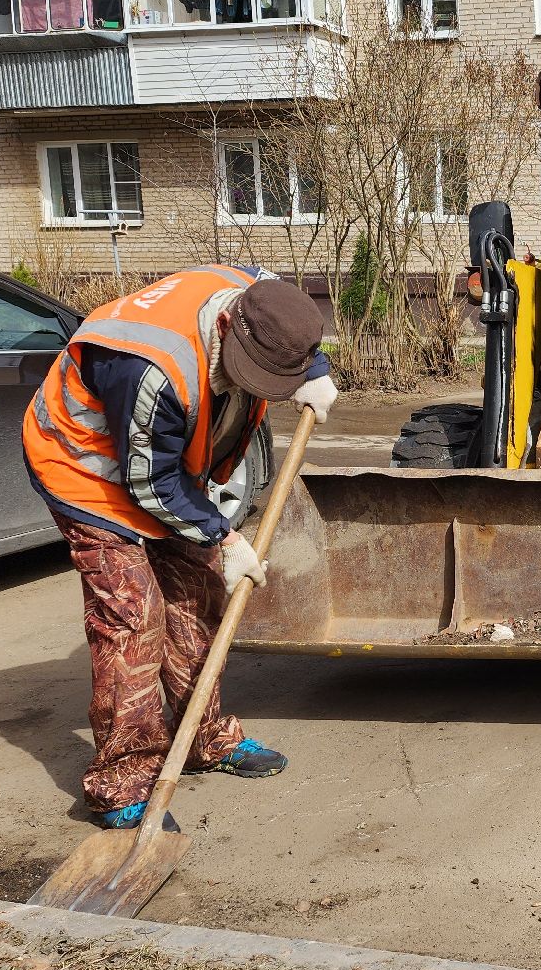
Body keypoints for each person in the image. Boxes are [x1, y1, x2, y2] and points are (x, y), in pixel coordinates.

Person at [21, 265, 337, 831]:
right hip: (85, 470)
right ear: (225, 326)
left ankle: (203, 737)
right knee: (133, 619)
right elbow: (151, 485)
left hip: (167, 470)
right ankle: (122, 781)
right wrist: (225, 535)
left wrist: (314, 371)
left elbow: (298, 325)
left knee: (199, 600)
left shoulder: (260, 298)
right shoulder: (149, 370)